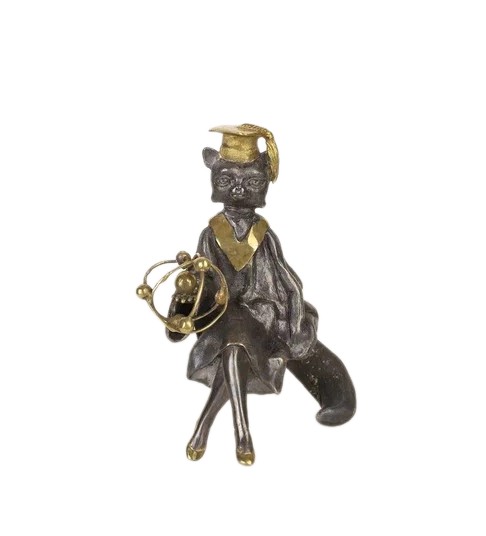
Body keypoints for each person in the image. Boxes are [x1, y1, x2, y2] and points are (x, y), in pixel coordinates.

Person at [167, 124, 356, 465]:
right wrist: (187, 295)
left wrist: (290, 317)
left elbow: (282, 279)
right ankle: (239, 433)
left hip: (260, 313)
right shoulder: (211, 233)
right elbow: (204, 277)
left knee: (237, 343)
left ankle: (208, 428)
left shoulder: (263, 236)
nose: (238, 189)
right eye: (227, 180)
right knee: (233, 341)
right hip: (221, 315)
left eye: (251, 182)